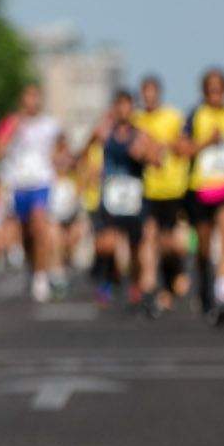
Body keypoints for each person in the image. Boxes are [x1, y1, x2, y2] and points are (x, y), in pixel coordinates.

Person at [185, 67, 224, 326]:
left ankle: (223, 298)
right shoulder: (196, 115)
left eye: (219, 89)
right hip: (201, 189)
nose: (215, 94)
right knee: (203, 247)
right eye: (211, 90)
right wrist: (207, 143)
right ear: (204, 91)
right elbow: (182, 148)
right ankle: (204, 283)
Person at [0, 84, 68, 302]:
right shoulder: (12, 122)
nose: (32, 102)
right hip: (18, 184)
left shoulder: (50, 125)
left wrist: (60, 159)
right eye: (28, 97)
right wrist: (12, 131)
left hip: (41, 182)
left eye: (36, 97)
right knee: (27, 235)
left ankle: (41, 277)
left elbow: (62, 148)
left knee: (39, 225)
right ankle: (33, 269)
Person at [81, 89, 151, 307]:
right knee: (106, 244)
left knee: (135, 247)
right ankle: (107, 282)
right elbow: (84, 150)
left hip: (133, 197)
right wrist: (89, 170)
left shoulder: (140, 135)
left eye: (127, 105)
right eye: (119, 104)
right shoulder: (104, 132)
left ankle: (136, 285)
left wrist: (144, 155)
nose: (123, 109)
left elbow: (155, 158)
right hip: (110, 195)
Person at [133, 74, 190, 316]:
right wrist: (145, 153)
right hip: (148, 191)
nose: (148, 98)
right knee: (148, 240)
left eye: (152, 93)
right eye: (144, 93)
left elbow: (185, 146)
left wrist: (163, 146)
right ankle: (148, 291)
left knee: (174, 245)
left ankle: (174, 275)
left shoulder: (173, 117)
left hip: (174, 190)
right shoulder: (136, 121)